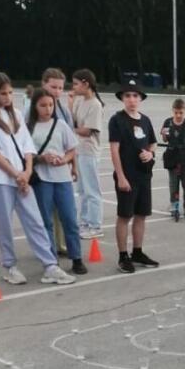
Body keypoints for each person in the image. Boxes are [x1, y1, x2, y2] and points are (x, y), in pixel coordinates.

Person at [0, 73, 75, 286]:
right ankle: (10, 266)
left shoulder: (17, 115)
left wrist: (27, 172)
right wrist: (16, 173)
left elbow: (27, 147)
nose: (8, 97)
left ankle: (50, 265)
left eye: (10, 92)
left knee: (35, 220)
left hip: (21, 177)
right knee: (5, 224)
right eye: (3, 93)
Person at [26, 87, 86, 275]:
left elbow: (71, 149)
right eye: (43, 105)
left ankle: (76, 258)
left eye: (50, 105)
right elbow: (25, 155)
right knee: (46, 221)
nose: (47, 109)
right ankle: (51, 260)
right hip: (41, 179)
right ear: (35, 106)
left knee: (69, 218)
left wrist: (65, 161)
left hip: (62, 178)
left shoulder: (60, 125)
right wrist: (41, 158)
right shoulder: (28, 128)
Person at [108, 79, 158, 273]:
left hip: (143, 175)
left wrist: (150, 153)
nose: (131, 99)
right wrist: (120, 176)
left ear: (140, 99)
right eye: (128, 96)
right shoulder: (117, 120)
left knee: (141, 215)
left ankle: (137, 251)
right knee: (124, 215)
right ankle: (123, 255)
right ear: (122, 98)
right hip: (127, 175)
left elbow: (152, 143)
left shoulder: (145, 120)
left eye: (135, 96)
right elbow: (114, 149)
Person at [71, 68, 105, 240]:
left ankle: (95, 225)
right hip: (79, 150)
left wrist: (72, 130)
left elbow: (86, 131)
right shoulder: (79, 101)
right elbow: (74, 120)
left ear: (86, 83)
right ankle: (84, 222)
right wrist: (70, 104)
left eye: (76, 84)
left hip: (89, 151)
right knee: (82, 190)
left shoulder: (95, 105)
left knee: (92, 190)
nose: (74, 87)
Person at [161, 98, 185, 221]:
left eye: (181, 113)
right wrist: (164, 134)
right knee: (173, 184)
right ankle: (174, 206)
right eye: (176, 113)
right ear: (172, 111)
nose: (178, 115)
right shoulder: (168, 123)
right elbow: (165, 139)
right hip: (172, 157)